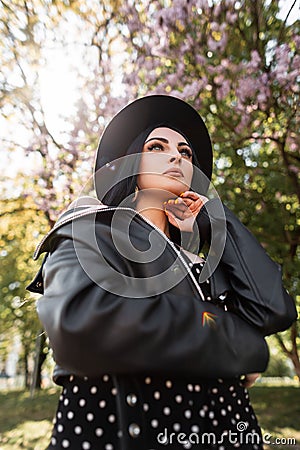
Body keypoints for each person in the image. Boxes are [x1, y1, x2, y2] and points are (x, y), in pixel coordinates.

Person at [27, 95, 296, 450]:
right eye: (158, 146)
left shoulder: (204, 262)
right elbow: (82, 324)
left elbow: (273, 309)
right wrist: (243, 346)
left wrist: (217, 218)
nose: (177, 157)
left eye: (186, 154)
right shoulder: (91, 228)